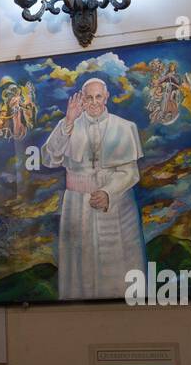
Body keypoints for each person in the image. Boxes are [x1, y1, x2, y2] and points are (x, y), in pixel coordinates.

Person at [41, 77, 146, 300]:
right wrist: (68, 122)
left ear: (106, 97)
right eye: (89, 97)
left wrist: (108, 192)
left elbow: (131, 172)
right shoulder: (69, 125)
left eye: (99, 96)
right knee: (80, 269)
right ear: (82, 98)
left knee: (118, 265)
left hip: (116, 205)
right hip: (77, 206)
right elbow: (49, 158)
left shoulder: (125, 127)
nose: (94, 102)